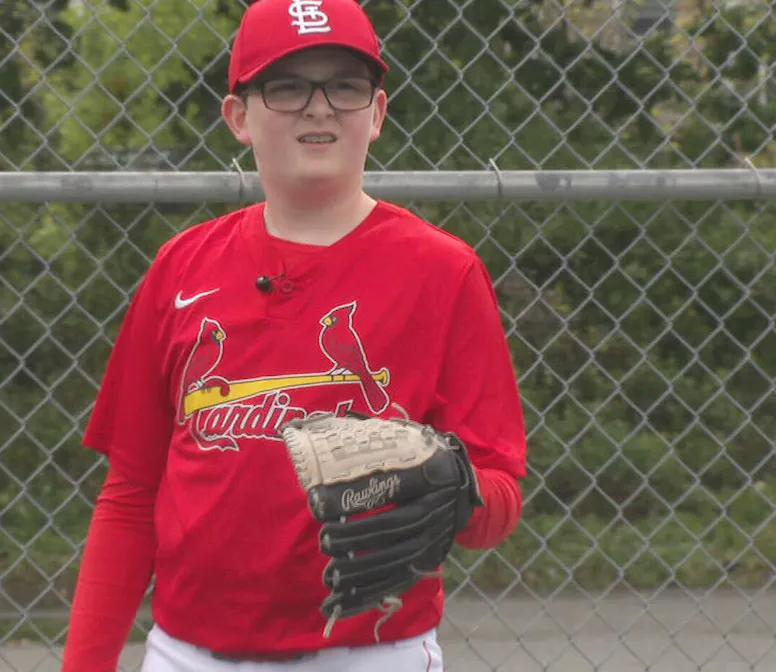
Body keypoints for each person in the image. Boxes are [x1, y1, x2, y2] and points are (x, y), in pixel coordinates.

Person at [60, 0, 528, 669]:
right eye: (286, 86)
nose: (319, 107)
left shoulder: (442, 271)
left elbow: (500, 495)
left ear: (377, 113)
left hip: (370, 651)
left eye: (345, 85)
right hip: (191, 652)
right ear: (239, 117)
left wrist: (460, 490)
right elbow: (132, 492)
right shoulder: (182, 268)